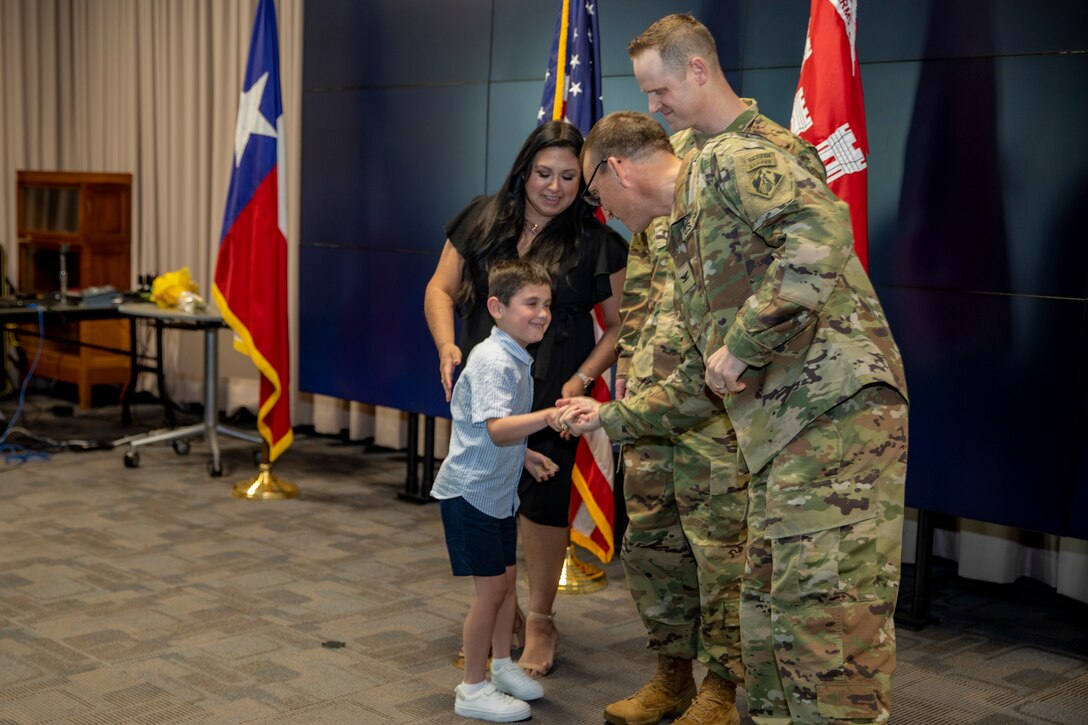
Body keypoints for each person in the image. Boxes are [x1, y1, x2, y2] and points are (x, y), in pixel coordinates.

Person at [562, 111, 909, 725]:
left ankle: (721, 689)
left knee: (777, 584)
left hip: (766, 413)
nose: (601, 211)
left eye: (664, 93)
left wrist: (738, 351)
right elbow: (647, 324)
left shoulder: (730, 173)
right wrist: (619, 409)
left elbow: (816, 234)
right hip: (680, 405)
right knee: (685, 564)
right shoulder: (662, 214)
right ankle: (674, 674)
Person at [424, 120, 627, 677]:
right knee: (484, 491)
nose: (555, 186)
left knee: (542, 500)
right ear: (524, 169)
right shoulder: (481, 217)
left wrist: (582, 379)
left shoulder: (598, 241)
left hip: (556, 388)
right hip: (485, 380)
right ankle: (498, 614)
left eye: (568, 176)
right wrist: (446, 346)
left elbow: (617, 326)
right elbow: (439, 289)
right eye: (544, 173)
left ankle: (539, 617)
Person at [430, 259, 559, 722]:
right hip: (471, 494)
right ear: (497, 307)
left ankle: (502, 666)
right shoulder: (492, 361)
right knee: (490, 593)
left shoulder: (516, 355)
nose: (542, 313)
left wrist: (525, 454)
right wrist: (548, 418)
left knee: (506, 585)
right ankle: (472, 688)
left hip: (497, 493)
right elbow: (498, 428)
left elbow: (486, 430)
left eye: (546, 304)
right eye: (531, 304)